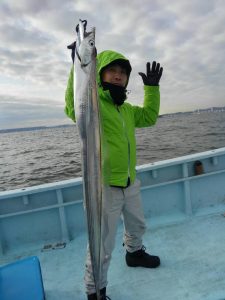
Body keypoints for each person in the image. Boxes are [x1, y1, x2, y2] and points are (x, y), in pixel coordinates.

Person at [65, 49, 163, 300]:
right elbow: (72, 107)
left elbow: (150, 118)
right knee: (102, 244)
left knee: (137, 224)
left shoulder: (127, 110)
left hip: (130, 182)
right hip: (104, 187)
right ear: (99, 75)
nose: (119, 76)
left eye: (123, 73)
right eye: (113, 71)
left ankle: (134, 253)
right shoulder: (93, 106)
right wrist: (78, 69)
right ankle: (95, 290)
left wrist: (152, 89)